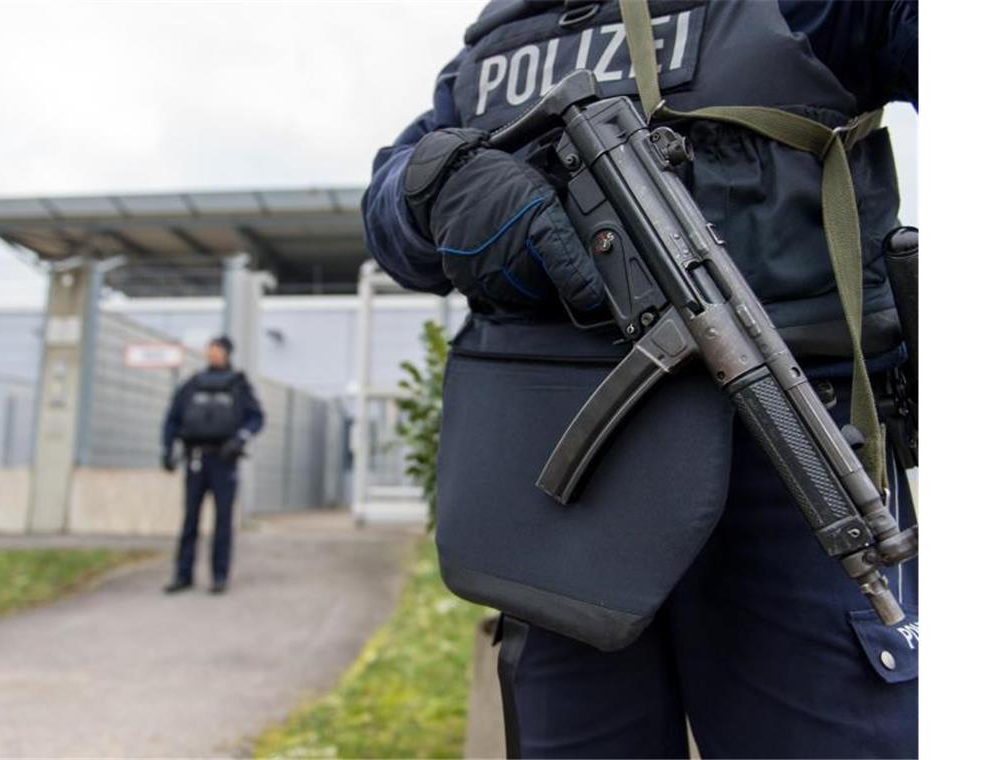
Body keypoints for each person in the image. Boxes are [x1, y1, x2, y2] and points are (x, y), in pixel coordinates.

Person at [362, 1, 918, 757]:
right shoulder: (502, 41)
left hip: (789, 459)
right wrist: (436, 186)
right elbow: (394, 196)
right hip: (561, 487)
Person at [161, 335, 264, 595]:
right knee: (190, 521)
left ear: (228, 353)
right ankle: (183, 574)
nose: (213, 355)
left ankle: (220, 576)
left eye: (218, 351)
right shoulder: (193, 384)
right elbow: (172, 418)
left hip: (224, 460)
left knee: (223, 521)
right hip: (195, 458)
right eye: (210, 350)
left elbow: (256, 418)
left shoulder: (238, 386)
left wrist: (240, 439)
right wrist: (167, 448)